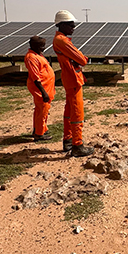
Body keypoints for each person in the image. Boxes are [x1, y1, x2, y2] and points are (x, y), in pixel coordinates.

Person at [53, 10, 94, 157]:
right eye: (70, 25)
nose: (73, 27)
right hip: (73, 78)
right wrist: (80, 59)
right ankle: (77, 144)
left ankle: (68, 140)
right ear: (61, 25)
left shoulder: (60, 39)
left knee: (70, 110)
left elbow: (78, 58)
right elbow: (82, 60)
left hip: (70, 77)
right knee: (77, 111)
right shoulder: (62, 41)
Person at [24, 36, 55, 142]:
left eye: (43, 46)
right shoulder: (31, 57)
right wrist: (43, 93)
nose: (43, 48)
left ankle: (40, 129)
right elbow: (35, 77)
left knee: (42, 110)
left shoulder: (37, 55)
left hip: (46, 87)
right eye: (41, 46)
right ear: (33, 46)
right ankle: (39, 134)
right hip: (40, 89)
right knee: (42, 110)